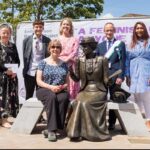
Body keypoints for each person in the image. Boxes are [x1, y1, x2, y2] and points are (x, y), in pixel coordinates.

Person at [66, 36, 111, 142]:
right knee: (77, 102)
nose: (84, 48)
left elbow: (105, 79)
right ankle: (75, 132)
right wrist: (71, 72)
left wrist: (109, 82)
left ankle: (90, 134)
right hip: (85, 89)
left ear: (93, 46)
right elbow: (77, 79)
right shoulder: (79, 61)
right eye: (83, 46)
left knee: (85, 103)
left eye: (86, 46)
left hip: (98, 90)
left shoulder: (102, 59)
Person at [36, 39, 69, 142]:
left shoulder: (64, 64)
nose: (55, 49)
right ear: (49, 49)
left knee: (64, 98)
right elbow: (38, 80)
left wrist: (61, 87)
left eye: (58, 47)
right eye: (53, 47)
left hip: (60, 89)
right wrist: (51, 87)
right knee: (51, 97)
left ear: (60, 50)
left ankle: (53, 128)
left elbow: (67, 82)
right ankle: (51, 130)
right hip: (44, 89)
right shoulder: (43, 63)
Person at [96, 22, 126, 130]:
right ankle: (101, 122)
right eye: (107, 30)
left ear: (114, 31)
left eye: (111, 30)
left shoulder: (120, 44)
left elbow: (123, 61)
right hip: (102, 77)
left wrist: (121, 76)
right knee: (101, 99)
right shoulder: (99, 46)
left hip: (115, 75)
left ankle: (112, 122)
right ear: (104, 32)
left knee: (115, 98)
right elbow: (97, 63)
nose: (109, 32)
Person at [126, 21, 150, 130]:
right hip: (133, 72)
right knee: (136, 97)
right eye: (137, 28)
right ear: (134, 30)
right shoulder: (131, 43)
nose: (139, 30)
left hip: (146, 71)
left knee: (146, 97)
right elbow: (127, 60)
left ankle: (148, 120)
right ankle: (139, 120)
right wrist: (127, 75)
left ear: (144, 29)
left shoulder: (149, 42)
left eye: (141, 28)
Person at [23, 20, 50, 100]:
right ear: (33, 28)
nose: (38, 29)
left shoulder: (47, 41)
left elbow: (48, 57)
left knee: (41, 95)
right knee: (28, 95)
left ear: (43, 28)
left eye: (40, 27)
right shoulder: (26, 40)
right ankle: (27, 112)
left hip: (42, 73)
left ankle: (41, 112)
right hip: (29, 72)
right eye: (36, 27)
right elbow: (25, 56)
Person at [0, 23, 20, 128]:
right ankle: (3, 120)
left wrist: (15, 71)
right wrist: (5, 70)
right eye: (3, 32)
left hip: (12, 77)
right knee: (2, 98)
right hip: (1, 76)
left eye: (7, 33)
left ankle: (5, 118)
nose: (5, 34)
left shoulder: (13, 45)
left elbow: (17, 60)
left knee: (9, 99)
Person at [58, 17, 80, 100]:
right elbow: (55, 52)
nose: (65, 26)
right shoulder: (57, 39)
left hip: (71, 67)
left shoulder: (75, 39)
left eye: (67, 24)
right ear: (61, 26)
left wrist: (66, 59)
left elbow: (75, 52)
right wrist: (60, 60)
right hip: (59, 65)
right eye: (64, 24)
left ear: (70, 27)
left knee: (72, 86)